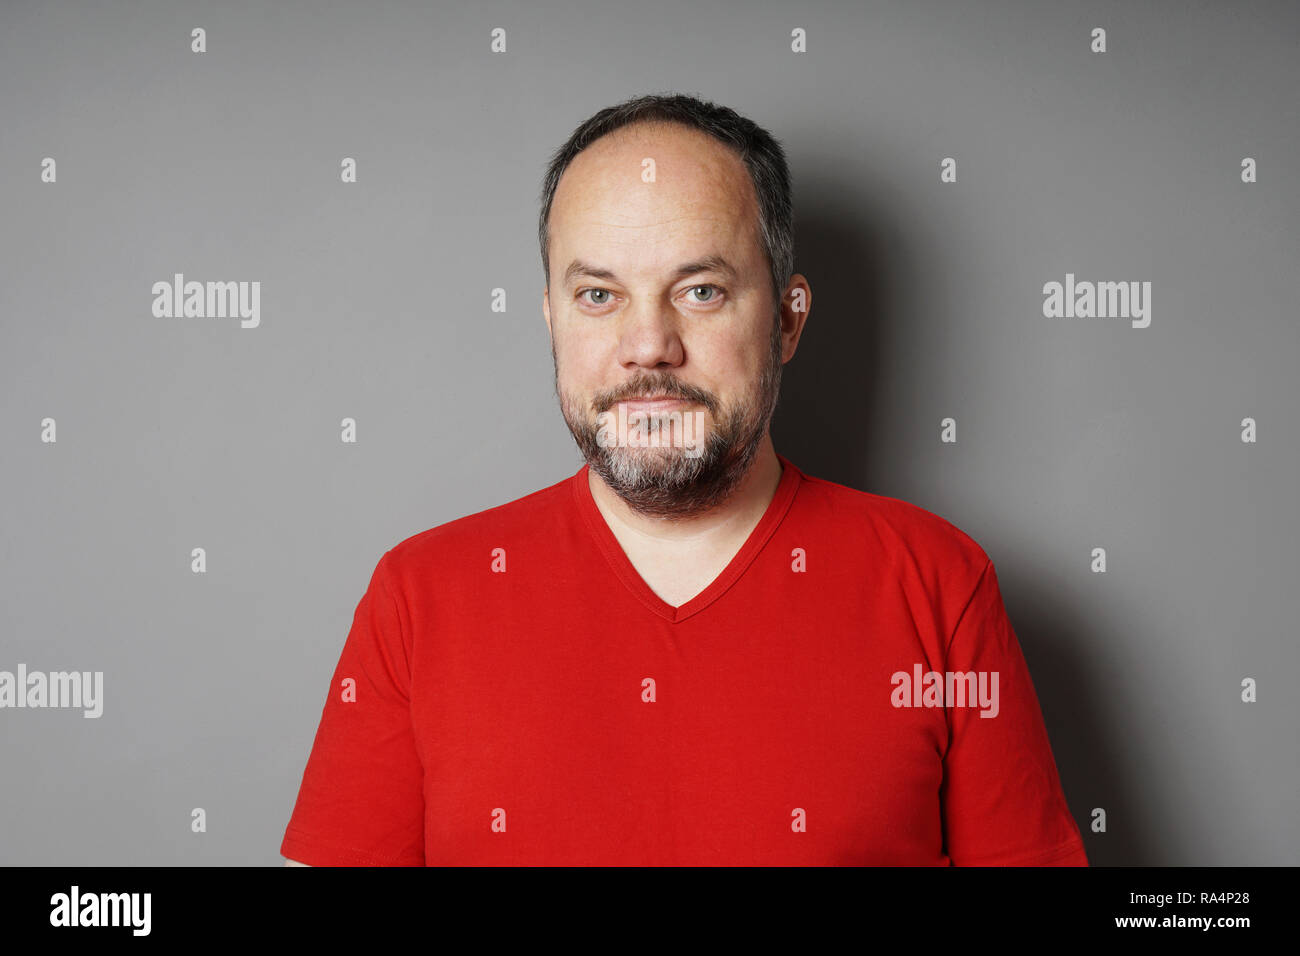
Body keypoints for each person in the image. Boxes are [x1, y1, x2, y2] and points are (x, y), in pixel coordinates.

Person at [280, 93, 1088, 866]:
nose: (648, 345)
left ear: (787, 319)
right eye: (599, 295)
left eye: (700, 291)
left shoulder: (940, 585)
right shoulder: (418, 599)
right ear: (553, 320)